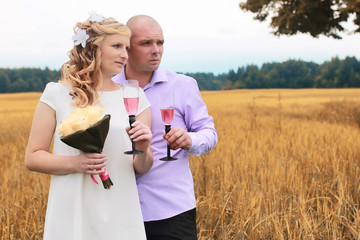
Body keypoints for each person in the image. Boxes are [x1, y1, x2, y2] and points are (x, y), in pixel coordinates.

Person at [25, 12, 153, 240]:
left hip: (120, 207)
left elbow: (142, 167)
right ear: (93, 48)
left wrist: (143, 148)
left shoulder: (135, 96)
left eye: (127, 48)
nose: (124, 55)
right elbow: (33, 157)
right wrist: (76, 163)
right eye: (117, 46)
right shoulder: (56, 93)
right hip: (72, 207)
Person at [112, 15, 218, 240]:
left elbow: (209, 134)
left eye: (160, 43)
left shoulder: (183, 86)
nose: (156, 50)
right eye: (146, 43)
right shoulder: (108, 89)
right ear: (127, 49)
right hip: (118, 210)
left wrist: (190, 139)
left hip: (172, 211)